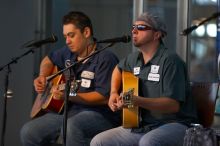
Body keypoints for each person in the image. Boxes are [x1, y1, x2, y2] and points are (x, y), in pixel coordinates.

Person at [90, 11, 197, 146]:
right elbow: (118, 69)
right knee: (99, 141)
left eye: (141, 28)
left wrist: (137, 101)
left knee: (148, 142)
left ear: (157, 35)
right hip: (144, 126)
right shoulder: (134, 58)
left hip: (175, 124)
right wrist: (113, 93)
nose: (134, 31)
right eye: (133, 27)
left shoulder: (171, 61)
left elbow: (173, 105)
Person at [20, 11, 121, 146]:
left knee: (71, 126)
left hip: (99, 114)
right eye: (65, 36)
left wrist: (69, 96)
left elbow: (103, 96)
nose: (67, 41)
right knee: (29, 131)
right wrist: (42, 76)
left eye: (71, 35)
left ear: (86, 32)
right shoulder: (68, 53)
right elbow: (48, 59)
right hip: (68, 112)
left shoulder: (105, 58)